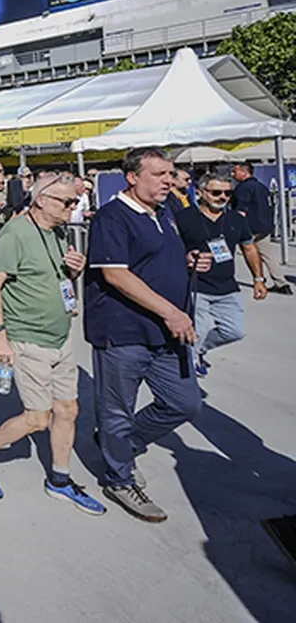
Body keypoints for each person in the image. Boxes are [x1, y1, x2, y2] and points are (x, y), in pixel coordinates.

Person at [0, 176, 104, 515]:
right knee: (38, 419)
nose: (74, 208)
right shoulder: (15, 234)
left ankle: (60, 479)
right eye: (67, 202)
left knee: (68, 411)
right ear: (40, 200)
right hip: (28, 338)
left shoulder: (57, 231)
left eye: (75, 201)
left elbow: (53, 278)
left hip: (59, 336)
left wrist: (74, 270)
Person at [86, 148, 210, 523]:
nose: (168, 181)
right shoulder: (112, 217)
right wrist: (171, 311)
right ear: (132, 177)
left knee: (185, 403)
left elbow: (156, 258)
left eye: (170, 174)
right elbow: (116, 274)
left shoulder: (164, 213)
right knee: (116, 411)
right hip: (123, 331)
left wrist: (190, 259)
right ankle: (118, 477)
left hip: (166, 333)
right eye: (159, 174)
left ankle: (120, 446)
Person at [175, 170, 267, 377]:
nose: (222, 198)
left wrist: (258, 279)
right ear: (200, 192)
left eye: (227, 193)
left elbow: (249, 248)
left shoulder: (236, 218)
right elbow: (169, 249)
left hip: (227, 286)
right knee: (196, 331)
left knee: (235, 331)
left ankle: (198, 351)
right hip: (195, 286)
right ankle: (189, 369)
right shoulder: (184, 217)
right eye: (216, 192)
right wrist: (186, 258)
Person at [231, 161, 292, 293]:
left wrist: (235, 227)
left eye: (235, 171)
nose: (232, 174)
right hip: (264, 226)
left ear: (244, 172)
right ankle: (281, 282)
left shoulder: (243, 188)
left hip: (249, 227)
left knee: (243, 252)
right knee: (268, 255)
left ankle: (257, 279)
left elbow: (241, 209)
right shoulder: (261, 186)